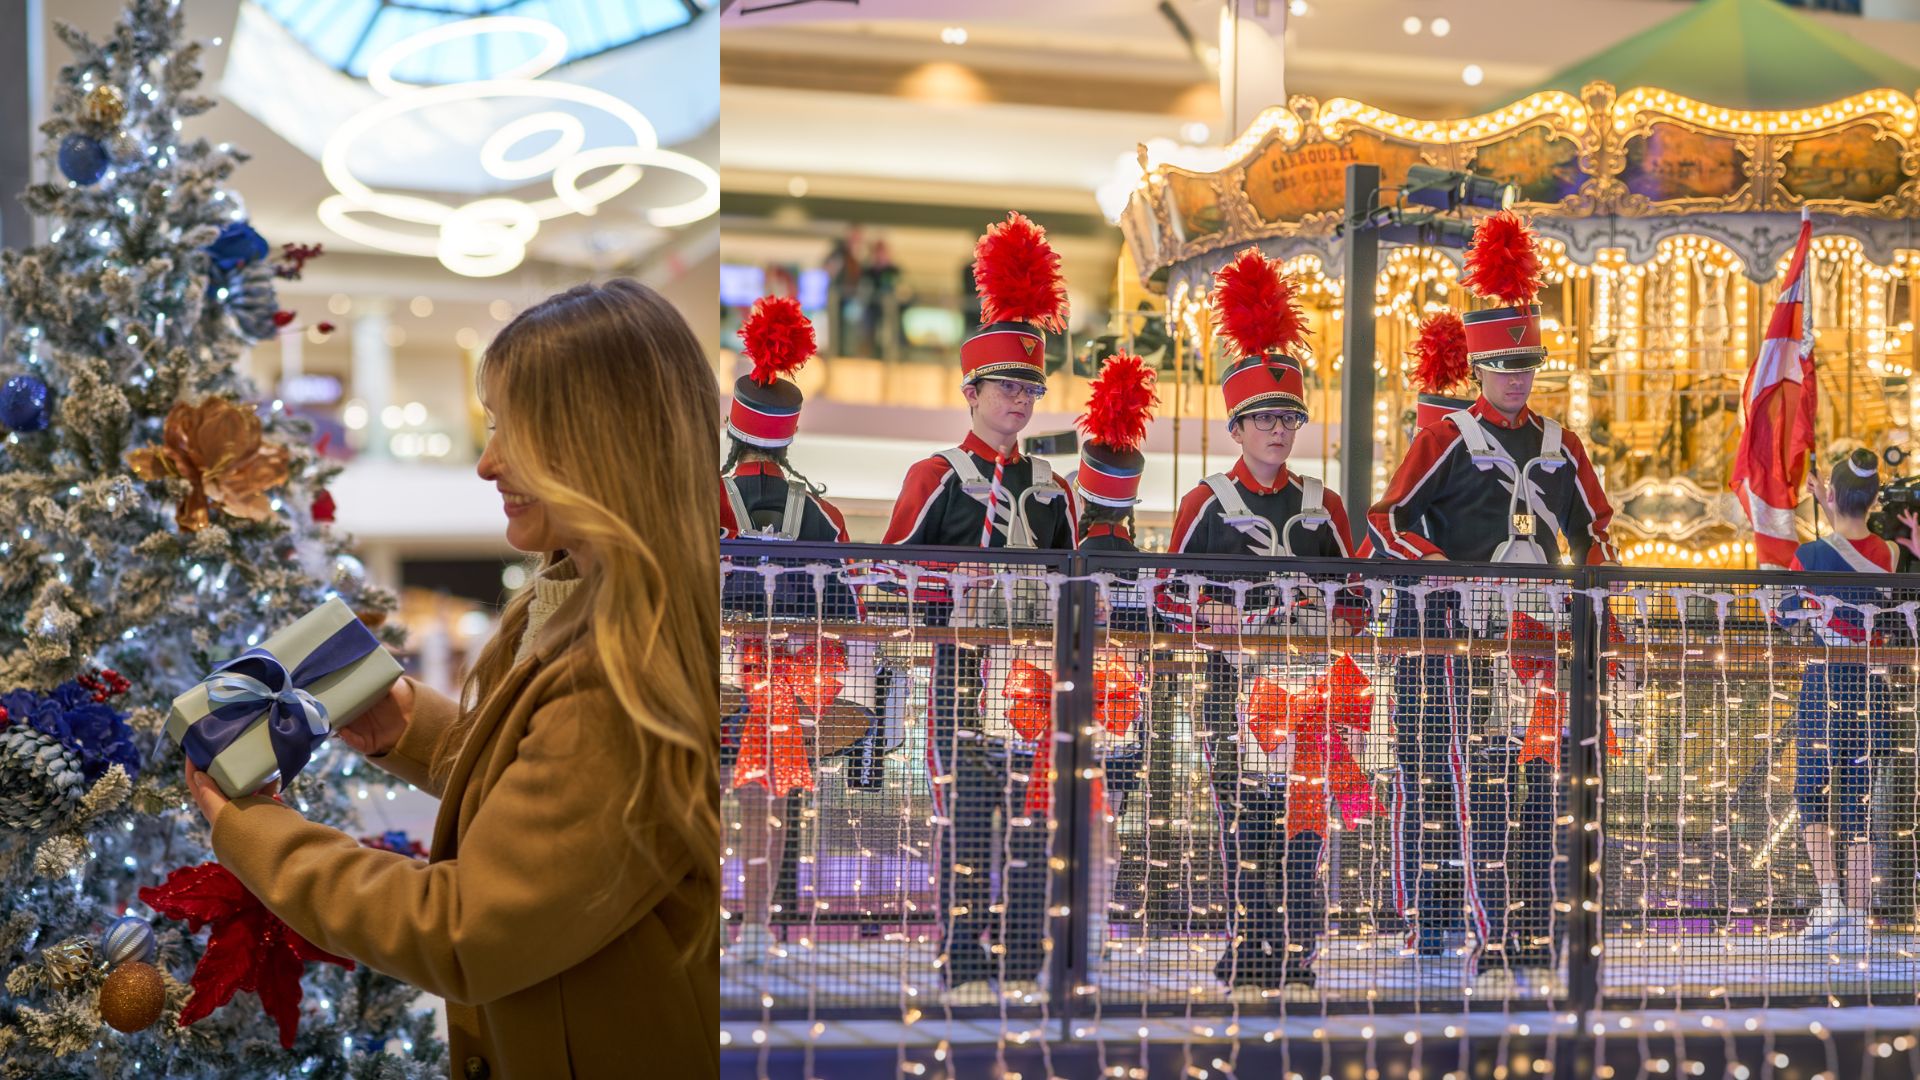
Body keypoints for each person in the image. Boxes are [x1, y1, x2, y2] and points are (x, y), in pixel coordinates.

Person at [184, 280, 720, 1078]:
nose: (487, 461)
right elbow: (552, 805)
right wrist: (411, 727)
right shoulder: (582, 607)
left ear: (597, 442)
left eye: (515, 430)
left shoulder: (622, 673)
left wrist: (256, 831)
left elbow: (465, 930)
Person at [1367, 212, 1616, 977]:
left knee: (1535, 782)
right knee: (1450, 778)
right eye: (1505, 366)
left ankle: (1529, 924)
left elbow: (1597, 529)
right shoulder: (1444, 438)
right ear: (1479, 370)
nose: (1518, 378)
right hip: (1455, 634)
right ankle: (1455, 923)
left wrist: (1593, 597)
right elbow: (1386, 522)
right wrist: (1443, 571)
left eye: (1527, 365)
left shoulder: (1559, 443)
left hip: (1536, 634)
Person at [883, 211, 1078, 1004]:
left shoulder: (1053, 488)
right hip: (962, 670)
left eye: (1031, 387)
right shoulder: (934, 475)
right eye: (1007, 386)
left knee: (1033, 828)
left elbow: (1075, 577)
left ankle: (1025, 962)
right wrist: (953, 588)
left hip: (1032, 678)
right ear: (970, 392)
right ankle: (963, 962)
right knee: (966, 824)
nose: (1020, 400)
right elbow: (887, 576)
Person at [1159, 248, 1359, 994]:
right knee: (1245, 828)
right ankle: (1250, 948)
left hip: (1308, 691)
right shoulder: (1206, 502)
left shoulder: (1324, 504)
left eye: (1288, 418)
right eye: (1264, 419)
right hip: (1231, 687)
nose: (1279, 431)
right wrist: (1212, 613)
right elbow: (1167, 597)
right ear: (1237, 429)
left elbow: (1359, 596)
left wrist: (1336, 620)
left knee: (1306, 830)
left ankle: (1299, 956)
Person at [718, 295, 881, 966]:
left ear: (736, 427)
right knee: (770, 800)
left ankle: (707, 924)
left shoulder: (703, 496)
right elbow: (849, 614)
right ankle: (758, 926)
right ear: (786, 436)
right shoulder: (822, 512)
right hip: (794, 685)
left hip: (714, 674)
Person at [1785, 449, 1899, 951]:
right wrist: (1831, 505)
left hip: (1825, 683)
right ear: (1874, 499)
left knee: (1810, 794)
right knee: (1858, 802)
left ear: (1830, 494)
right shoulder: (1892, 554)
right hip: (1873, 686)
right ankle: (1855, 918)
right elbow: (1861, 548)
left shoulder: (1808, 556)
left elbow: (1786, 616)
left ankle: (1829, 898)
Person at [1071, 352, 1158, 967]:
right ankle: (1095, 927)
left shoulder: (1065, 552)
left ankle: (1066, 927)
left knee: (1057, 822)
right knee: (1107, 826)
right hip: (1124, 717)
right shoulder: (1141, 570)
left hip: (1061, 708)